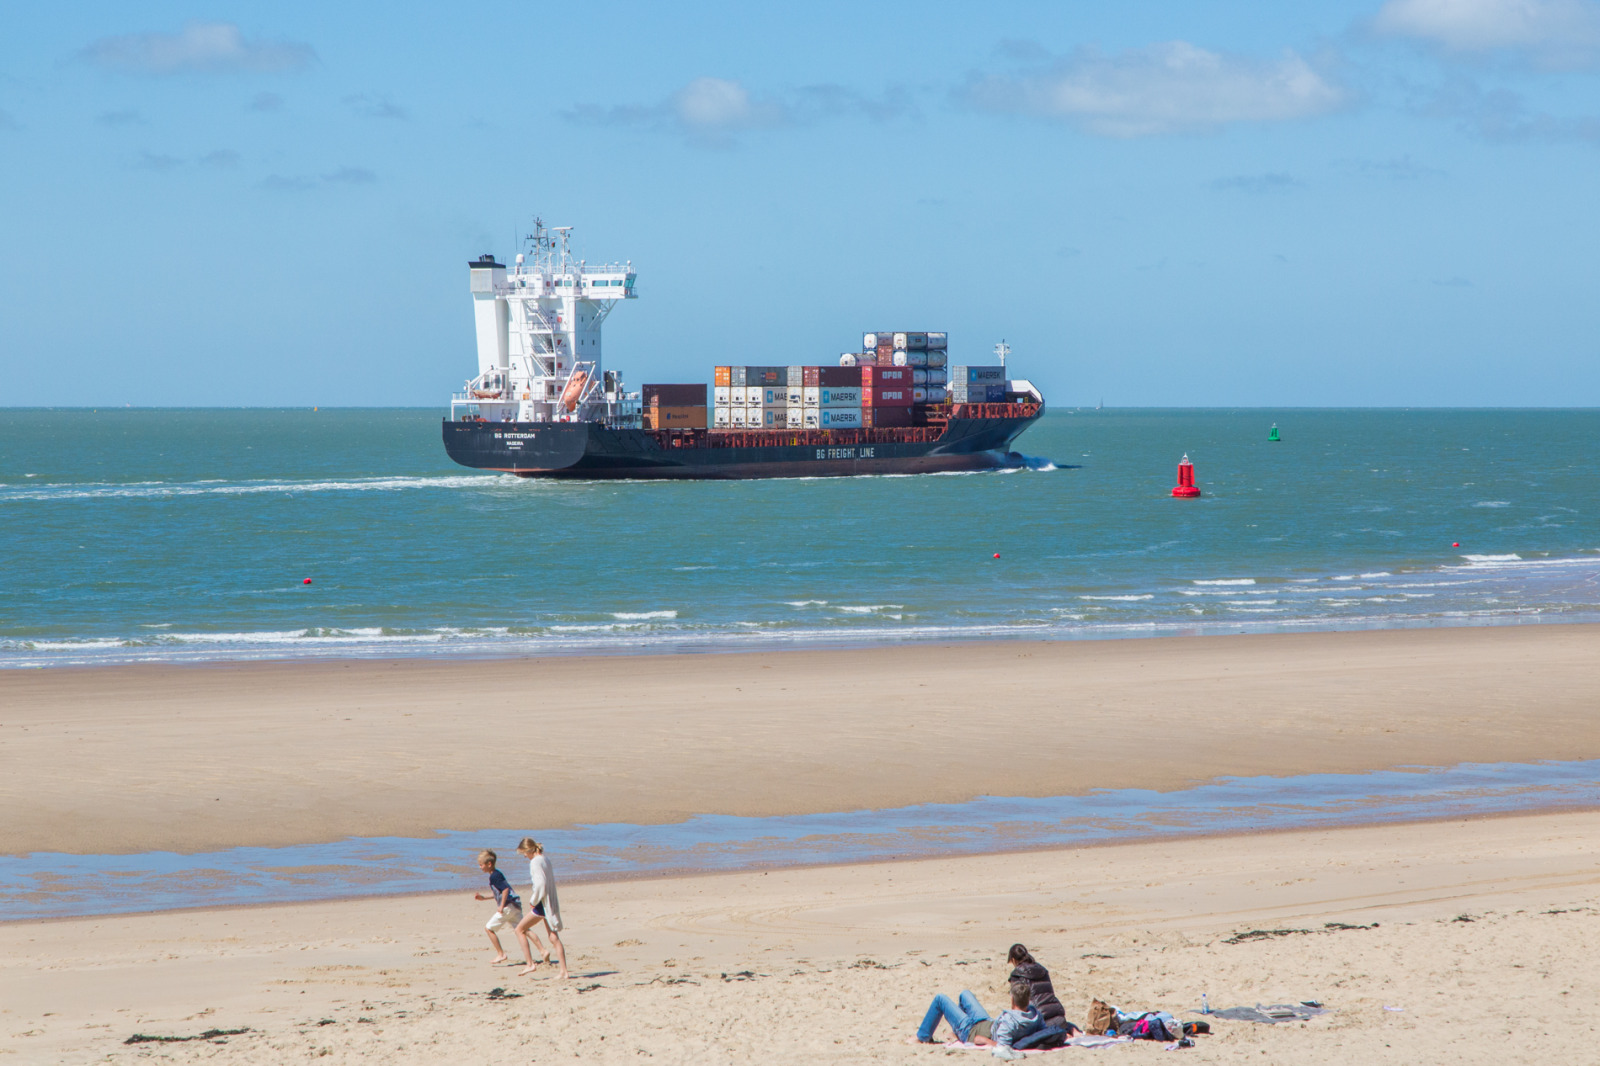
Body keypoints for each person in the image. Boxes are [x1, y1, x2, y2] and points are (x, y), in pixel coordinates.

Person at [515, 837, 569, 979]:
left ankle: (530, 964)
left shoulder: (535, 862)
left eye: (524, 854)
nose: (525, 857)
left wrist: (533, 900)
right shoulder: (545, 859)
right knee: (553, 937)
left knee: (519, 929)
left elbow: (541, 885)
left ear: (528, 850)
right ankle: (564, 971)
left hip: (541, 903)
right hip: (549, 901)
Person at [472, 850, 527, 965]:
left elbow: (505, 889)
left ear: (489, 864)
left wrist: (501, 906)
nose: (480, 867)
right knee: (523, 929)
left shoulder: (494, 876)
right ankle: (542, 950)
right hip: (514, 905)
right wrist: (484, 898)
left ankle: (501, 954)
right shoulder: (497, 874)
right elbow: (499, 893)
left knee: (489, 928)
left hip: (508, 906)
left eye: (481, 864)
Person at [1005, 943, 1075, 1033]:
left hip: (1040, 1019)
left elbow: (1016, 1003)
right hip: (1058, 1014)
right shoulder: (1042, 969)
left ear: (1013, 960)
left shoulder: (1017, 974)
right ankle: (1071, 1032)